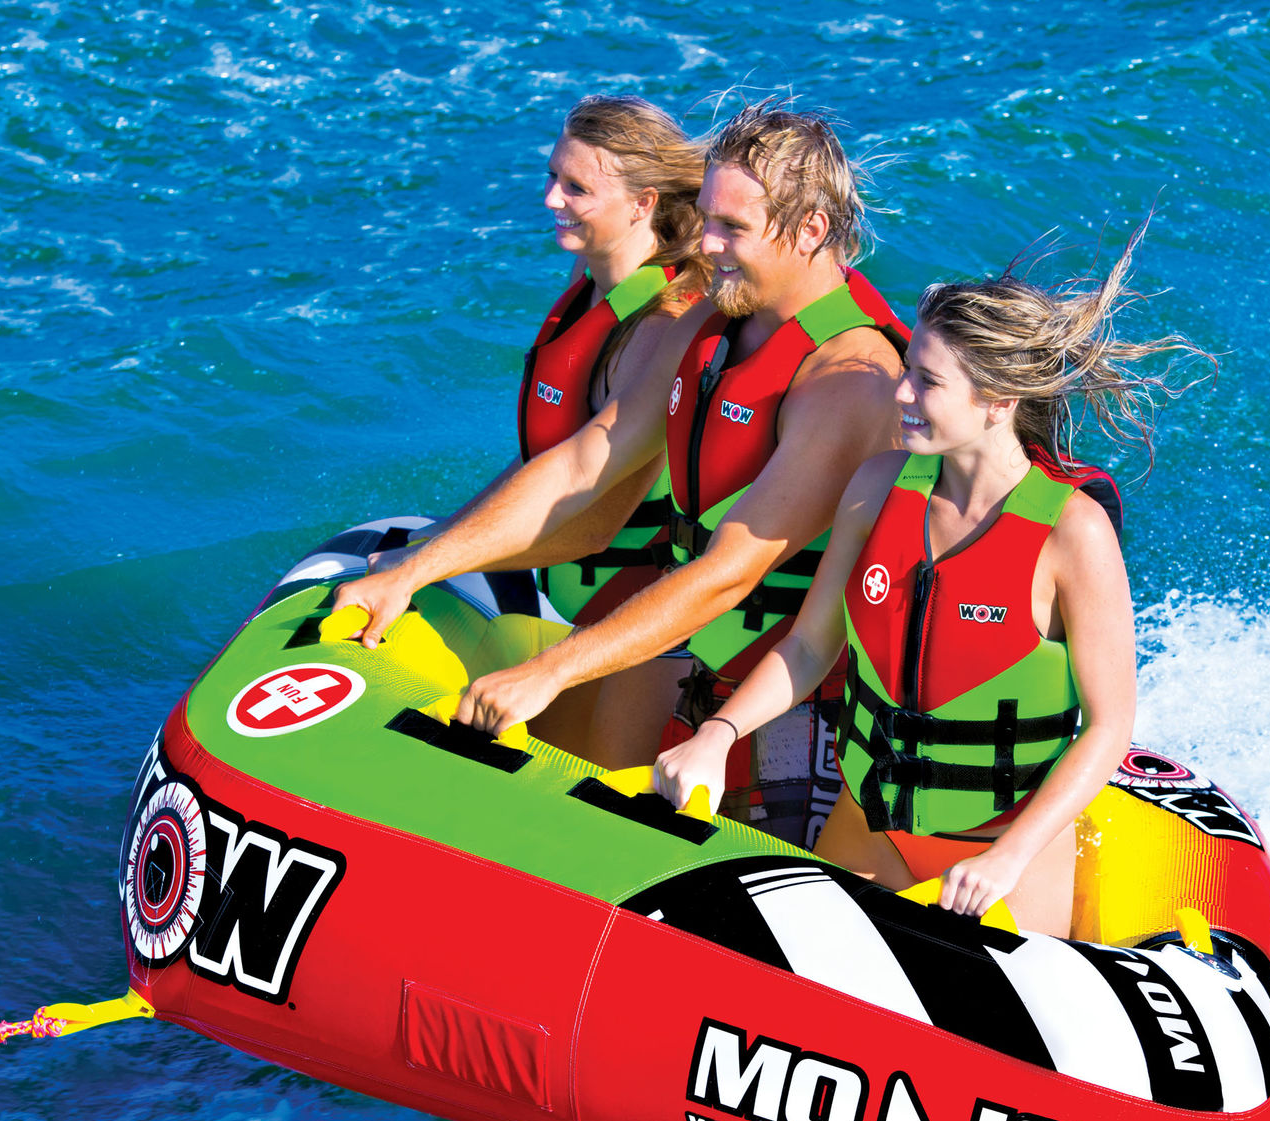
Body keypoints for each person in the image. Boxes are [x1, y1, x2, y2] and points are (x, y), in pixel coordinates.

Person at [332, 102, 908, 833]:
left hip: (799, 710)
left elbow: (729, 571)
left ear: (811, 229)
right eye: (708, 219)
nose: (708, 244)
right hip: (700, 670)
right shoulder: (712, 320)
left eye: (733, 228)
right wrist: (416, 567)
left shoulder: (851, 378)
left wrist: (550, 670)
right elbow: (583, 464)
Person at [652, 228, 1211, 937]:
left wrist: (1008, 858)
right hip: (870, 827)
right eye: (907, 368)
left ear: (998, 400)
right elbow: (810, 647)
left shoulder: (1072, 534)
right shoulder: (876, 489)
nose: (901, 391)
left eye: (927, 380)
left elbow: (1108, 727)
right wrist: (718, 734)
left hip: (1002, 850)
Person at [363, 94, 707, 765]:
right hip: (574, 604)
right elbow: (542, 458)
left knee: (594, 802)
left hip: (645, 629)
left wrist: (424, 567)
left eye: (577, 188)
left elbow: (592, 520)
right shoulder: (593, 277)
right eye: (553, 176)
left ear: (642, 203)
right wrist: (432, 541)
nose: (551, 199)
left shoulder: (661, 328)